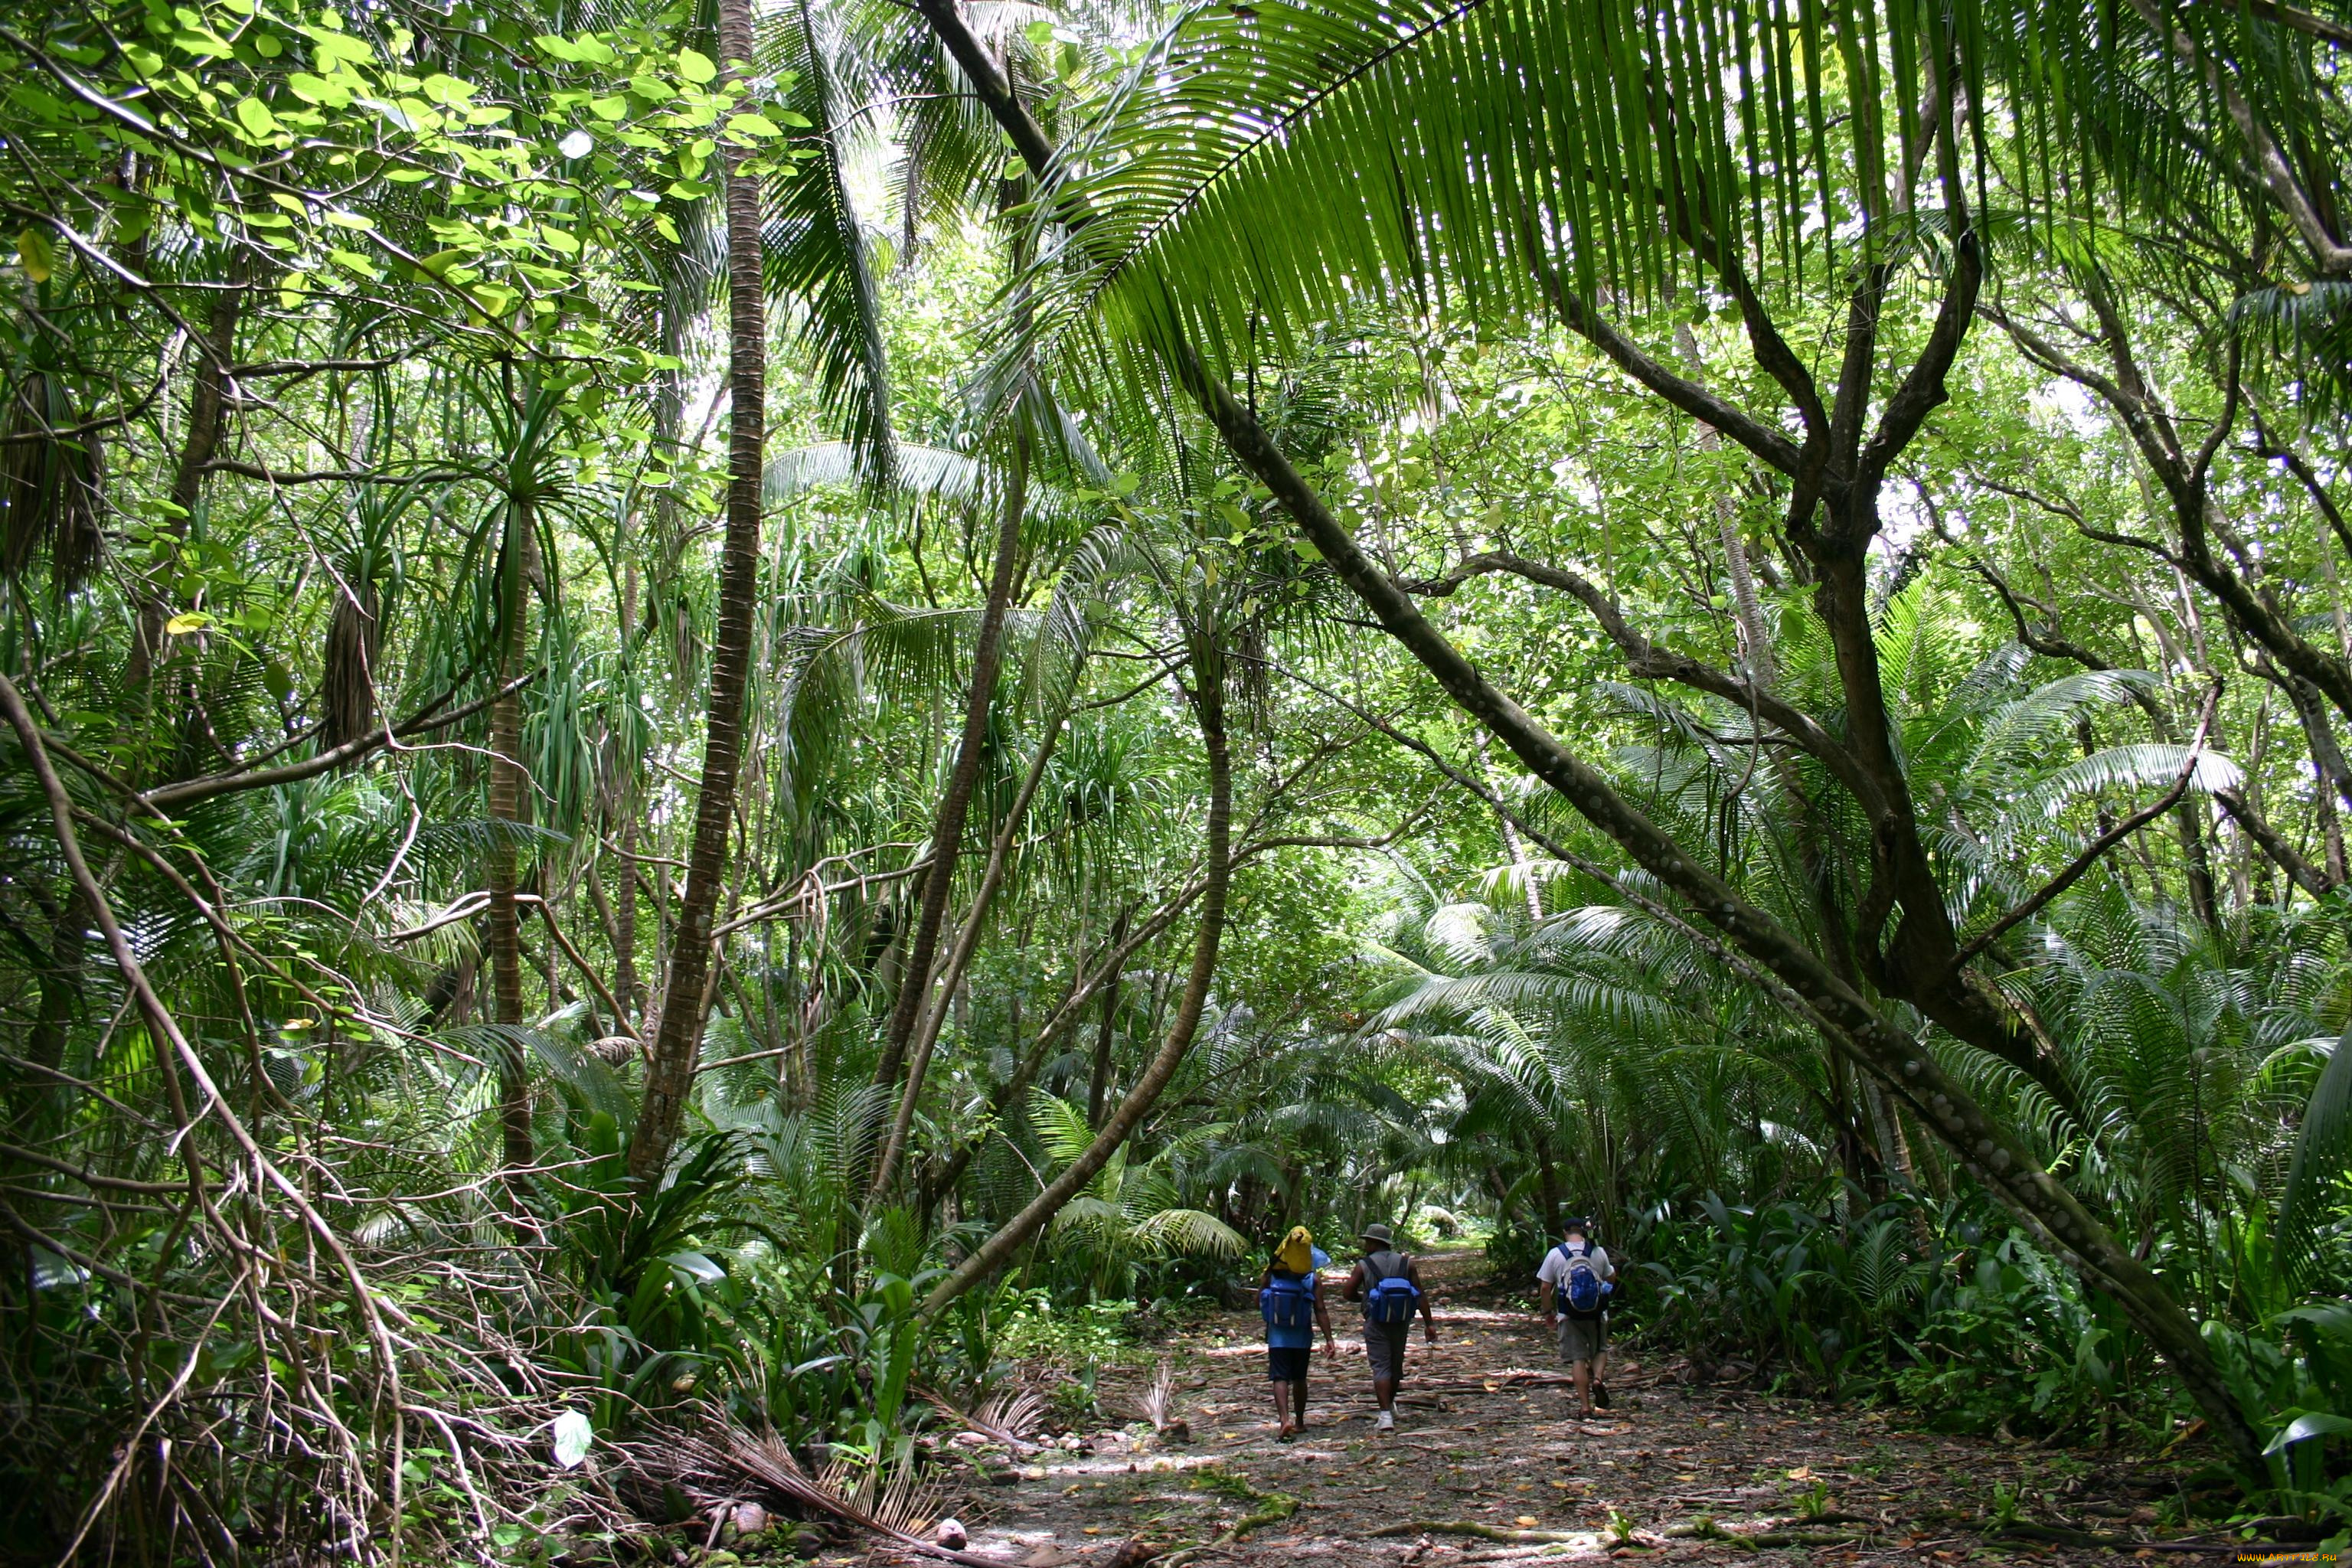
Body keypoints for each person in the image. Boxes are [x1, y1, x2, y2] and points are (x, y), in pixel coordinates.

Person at [1343, 1222, 1436, 1432]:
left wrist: (1366, 1299)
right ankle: (1390, 1406)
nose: (1365, 1245)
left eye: (1367, 1241)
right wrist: (1429, 1323)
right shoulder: (1406, 1263)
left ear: (1373, 1242)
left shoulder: (1364, 1265)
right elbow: (1419, 1293)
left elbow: (1347, 1292)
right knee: (1395, 1365)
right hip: (1401, 1321)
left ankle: (1385, 1415)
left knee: (1380, 1367)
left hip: (1376, 1321)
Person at [1258, 1224, 1335, 1442]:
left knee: (1279, 1377)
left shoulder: (1271, 1275)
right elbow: (1320, 1309)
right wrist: (1329, 1339)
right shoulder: (1312, 1280)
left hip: (1277, 1337)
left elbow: (1259, 1302)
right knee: (1300, 1378)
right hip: (1302, 1337)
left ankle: (1284, 1420)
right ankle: (1300, 1421)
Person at [1535, 1214, 1616, 1419]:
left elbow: (1545, 1287)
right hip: (1596, 1314)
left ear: (1565, 1232)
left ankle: (1585, 1407)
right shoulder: (1597, 1252)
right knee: (1600, 1349)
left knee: (1578, 1359)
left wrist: (1548, 1312)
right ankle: (1597, 1379)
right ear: (1583, 1231)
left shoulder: (1556, 1253)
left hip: (1568, 1314)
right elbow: (1611, 1277)